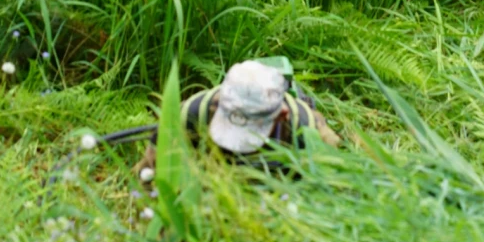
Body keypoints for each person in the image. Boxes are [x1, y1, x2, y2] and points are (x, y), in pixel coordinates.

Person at [135, 60, 341, 179]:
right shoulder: (190, 114)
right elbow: (148, 174)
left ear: (281, 116)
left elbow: (328, 193)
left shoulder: (310, 131)